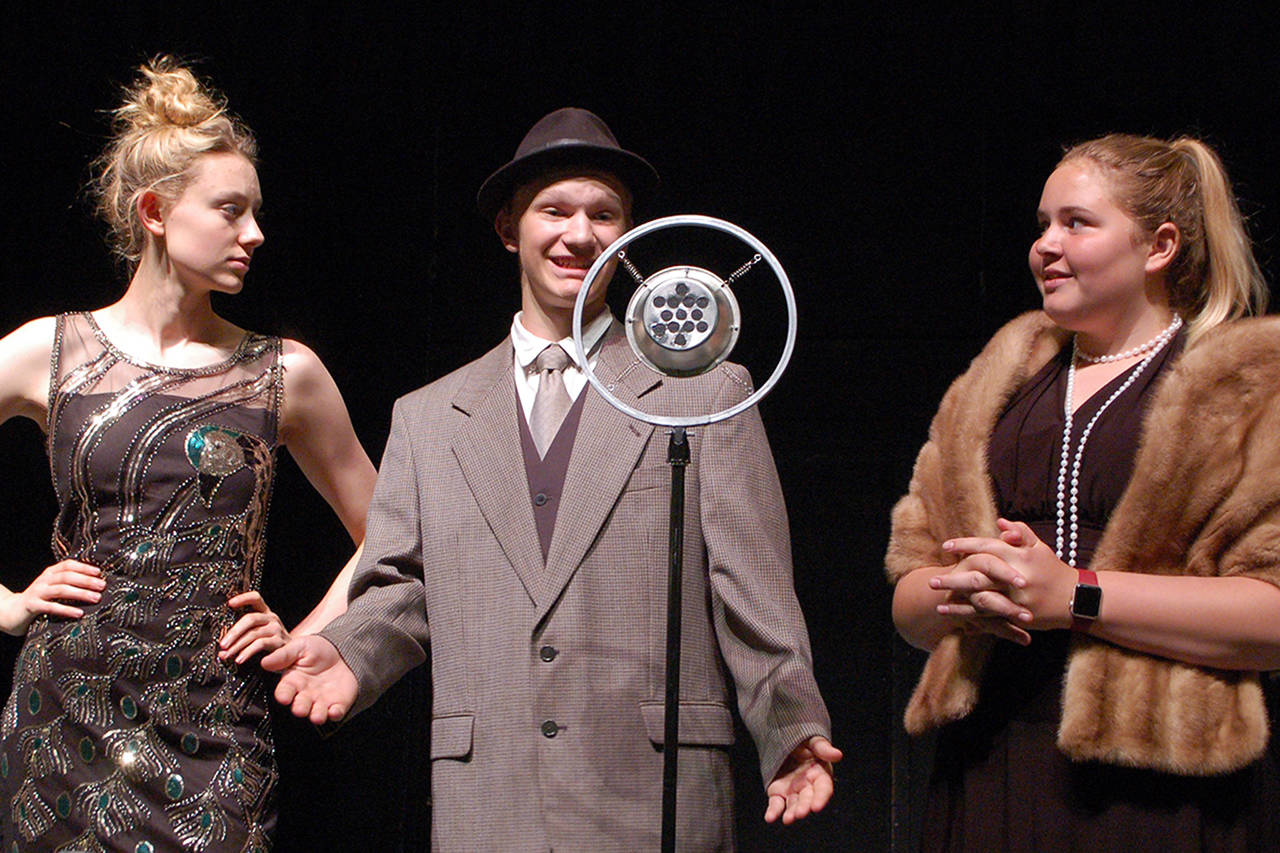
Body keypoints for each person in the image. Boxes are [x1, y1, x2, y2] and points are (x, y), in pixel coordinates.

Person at [263, 107, 839, 850]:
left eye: (604, 214)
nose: (580, 234)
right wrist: (352, 651)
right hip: (490, 796)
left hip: (652, 793)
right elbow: (402, 584)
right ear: (510, 228)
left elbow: (751, 588)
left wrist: (790, 728)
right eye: (555, 211)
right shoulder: (430, 417)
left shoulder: (703, 392)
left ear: (628, 236)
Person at [0, 58, 375, 850]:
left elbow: (393, 533)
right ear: (155, 212)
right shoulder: (49, 351)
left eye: (256, 212)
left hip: (213, 725)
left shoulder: (285, 372)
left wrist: (311, 634)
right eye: (231, 210)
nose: (255, 233)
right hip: (64, 721)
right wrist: (5, 603)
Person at [888, 133, 1280, 850]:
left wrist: (1076, 595)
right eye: (1042, 224)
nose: (1046, 244)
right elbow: (909, 601)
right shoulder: (993, 386)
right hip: (992, 758)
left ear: (1160, 246)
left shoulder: (1243, 390)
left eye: (1077, 222)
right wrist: (961, 594)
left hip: (1159, 782)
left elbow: (1272, 614)